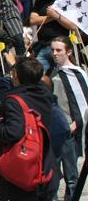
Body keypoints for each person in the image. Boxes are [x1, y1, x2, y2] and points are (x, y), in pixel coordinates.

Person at [0, 58, 58, 200]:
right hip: (45, 167)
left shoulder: (14, 100)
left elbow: (12, 133)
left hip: (23, 172)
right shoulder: (45, 95)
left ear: (16, 75)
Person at [50, 36, 86, 201]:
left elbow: (84, 102)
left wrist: (76, 124)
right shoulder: (53, 71)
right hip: (54, 131)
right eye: (52, 50)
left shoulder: (77, 73)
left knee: (71, 177)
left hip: (69, 132)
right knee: (52, 175)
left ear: (69, 51)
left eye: (59, 50)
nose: (55, 54)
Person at [30, 0, 78, 75]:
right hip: (44, 46)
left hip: (61, 47)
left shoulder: (65, 1)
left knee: (64, 76)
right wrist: (51, 17)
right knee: (37, 75)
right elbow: (33, 20)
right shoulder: (40, 2)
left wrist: (57, 16)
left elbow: (73, 26)